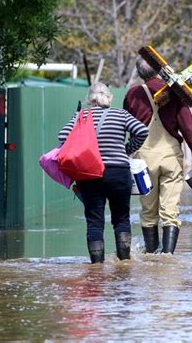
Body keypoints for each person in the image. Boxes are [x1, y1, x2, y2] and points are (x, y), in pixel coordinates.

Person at [123, 58, 192, 255]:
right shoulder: (175, 92)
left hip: (143, 160)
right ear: (160, 69)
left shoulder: (133, 94)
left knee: (148, 212)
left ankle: (151, 256)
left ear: (140, 73)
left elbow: (124, 124)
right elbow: (188, 126)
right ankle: (167, 257)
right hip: (170, 158)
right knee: (170, 211)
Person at [58, 82, 148, 263]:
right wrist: (126, 149)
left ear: (89, 99)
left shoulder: (82, 116)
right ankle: (124, 263)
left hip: (90, 175)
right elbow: (142, 131)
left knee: (94, 222)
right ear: (110, 98)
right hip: (119, 173)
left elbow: (62, 137)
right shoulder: (120, 114)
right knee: (122, 219)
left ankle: (96, 268)